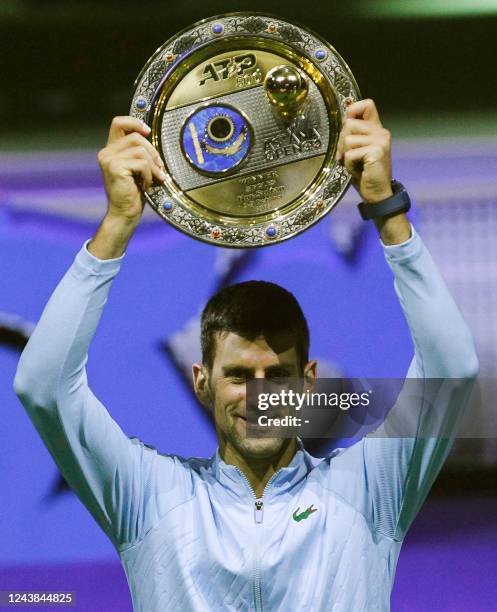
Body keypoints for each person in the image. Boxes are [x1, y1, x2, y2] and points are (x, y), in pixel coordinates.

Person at [14, 99, 478, 611]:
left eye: (276, 374)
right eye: (238, 374)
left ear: (308, 382)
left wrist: (386, 209)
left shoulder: (370, 489)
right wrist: (119, 222)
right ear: (201, 379)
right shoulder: (149, 497)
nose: (259, 393)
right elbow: (43, 386)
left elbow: (452, 370)